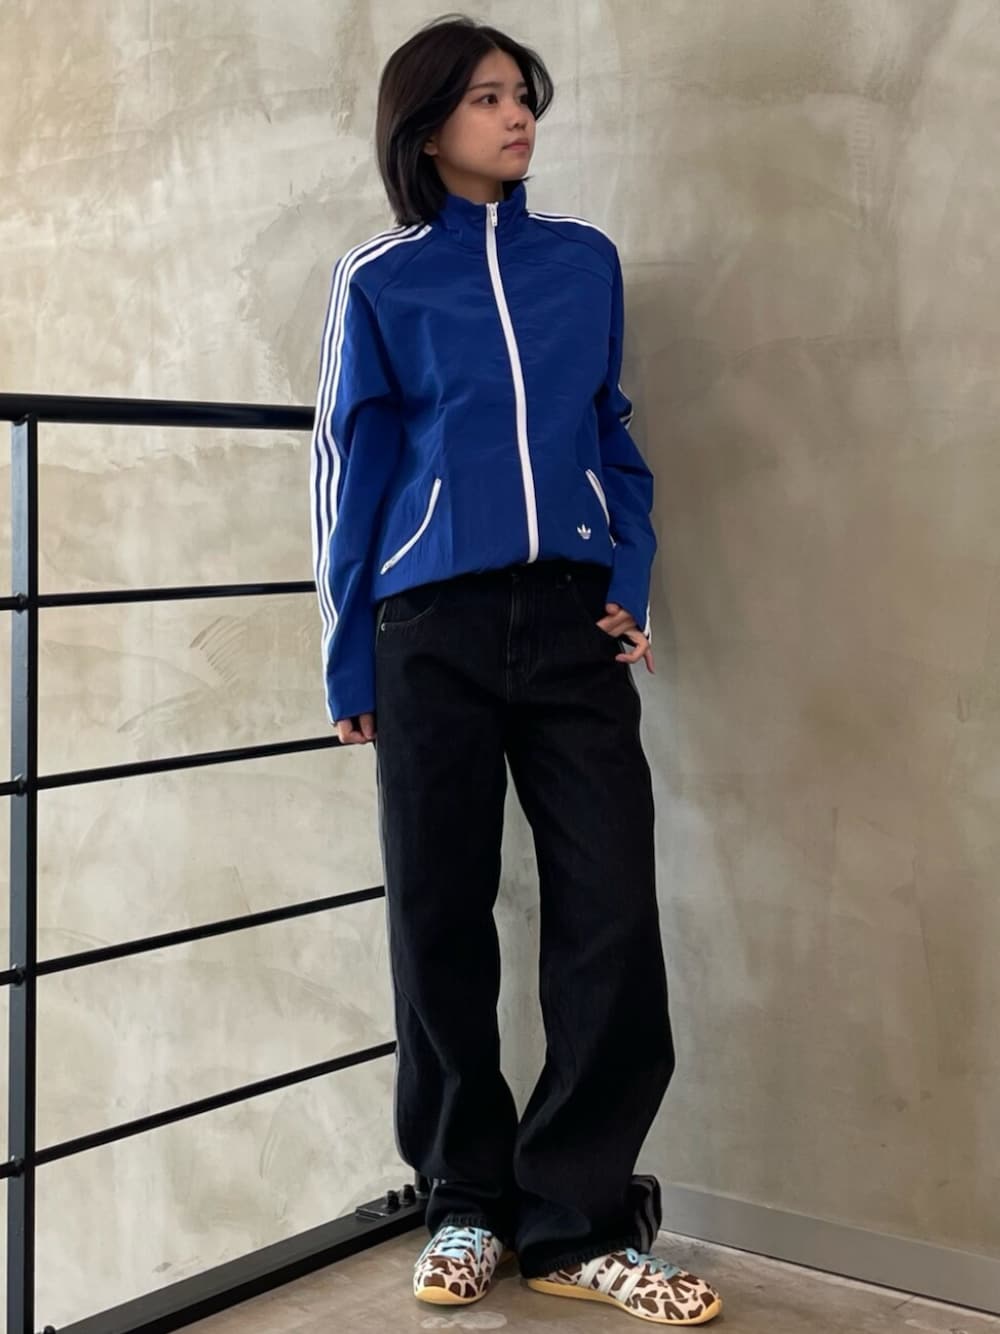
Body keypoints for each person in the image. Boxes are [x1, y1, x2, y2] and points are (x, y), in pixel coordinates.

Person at [308, 13, 722, 1327]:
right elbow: (348, 469)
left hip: (567, 622)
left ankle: (576, 1222)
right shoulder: (378, 279)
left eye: (522, 95)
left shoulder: (583, 263)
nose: (516, 115)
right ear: (427, 125)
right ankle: (466, 1201)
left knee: (611, 913)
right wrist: (346, 657)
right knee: (438, 916)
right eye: (486, 98)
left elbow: (613, 435)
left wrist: (626, 580)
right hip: (427, 627)